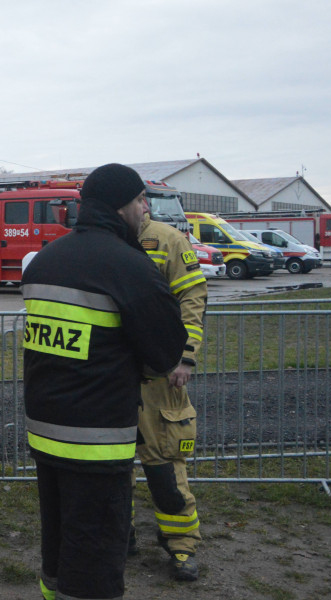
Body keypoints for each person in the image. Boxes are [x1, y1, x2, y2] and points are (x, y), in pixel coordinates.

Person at [21, 163, 187, 600]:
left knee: (56, 544)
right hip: (97, 439)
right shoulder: (129, 266)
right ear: (121, 206)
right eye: (139, 200)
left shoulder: (45, 261)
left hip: (45, 432)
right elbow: (166, 353)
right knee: (94, 554)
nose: (144, 207)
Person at [132, 215, 207, 581]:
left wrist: (185, 354)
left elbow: (192, 295)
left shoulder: (167, 239)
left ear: (140, 202)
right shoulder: (104, 239)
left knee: (164, 463)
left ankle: (181, 544)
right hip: (113, 375)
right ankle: (121, 534)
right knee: (112, 465)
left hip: (160, 376)